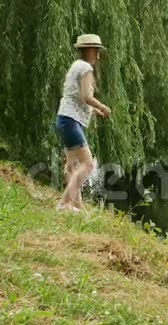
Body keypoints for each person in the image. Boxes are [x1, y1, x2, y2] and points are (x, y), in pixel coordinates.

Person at [55, 34, 111, 212]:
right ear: (90, 50)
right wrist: (103, 106)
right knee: (88, 164)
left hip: (65, 118)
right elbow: (87, 96)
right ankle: (64, 204)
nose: (99, 55)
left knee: (71, 166)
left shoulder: (75, 66)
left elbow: (75, 96)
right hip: (71, 121)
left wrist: (93, 110)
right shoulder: (86, 68)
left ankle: (77, 205)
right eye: (97, 50)